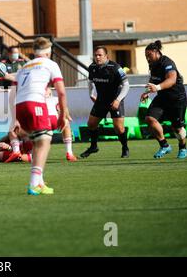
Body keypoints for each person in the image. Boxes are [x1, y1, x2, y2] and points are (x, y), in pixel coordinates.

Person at [14, 37, 70, 196]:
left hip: (20, 105)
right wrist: (63, 113)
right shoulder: (51, 64)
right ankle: (33, 183)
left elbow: (14, 91)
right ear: (48, 52)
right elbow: (61, 92)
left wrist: (15, 118)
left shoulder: (25, 65)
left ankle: (40, 182)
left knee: (37, 143)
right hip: (35, 104)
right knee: (44, 142)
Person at [80, 46, 130, 159]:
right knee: (91, 124)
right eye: (95, 55)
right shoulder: (92, 67)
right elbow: (91, 82)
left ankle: (125, 148)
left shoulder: (116, 68)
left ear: (106, 56)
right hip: (101, 100)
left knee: (118, 128)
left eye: (100, 55)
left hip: (115, 100)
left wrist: (118, 100)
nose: (97, 57)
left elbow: (126, 85)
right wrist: (91, 94)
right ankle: (93, 147)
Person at [141, 40, 187, 159]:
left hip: (177, 98)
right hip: (162, 98)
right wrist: (147, 92)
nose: (148, 58)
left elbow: (171, 80)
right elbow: (153, 80)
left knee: (177, 128)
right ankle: (164, 145)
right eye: (146, 56)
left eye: (149, 55)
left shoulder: (167, 62)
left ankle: (183, 147)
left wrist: (156, 87)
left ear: (156, 52)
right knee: (149, 119)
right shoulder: (152, 65)